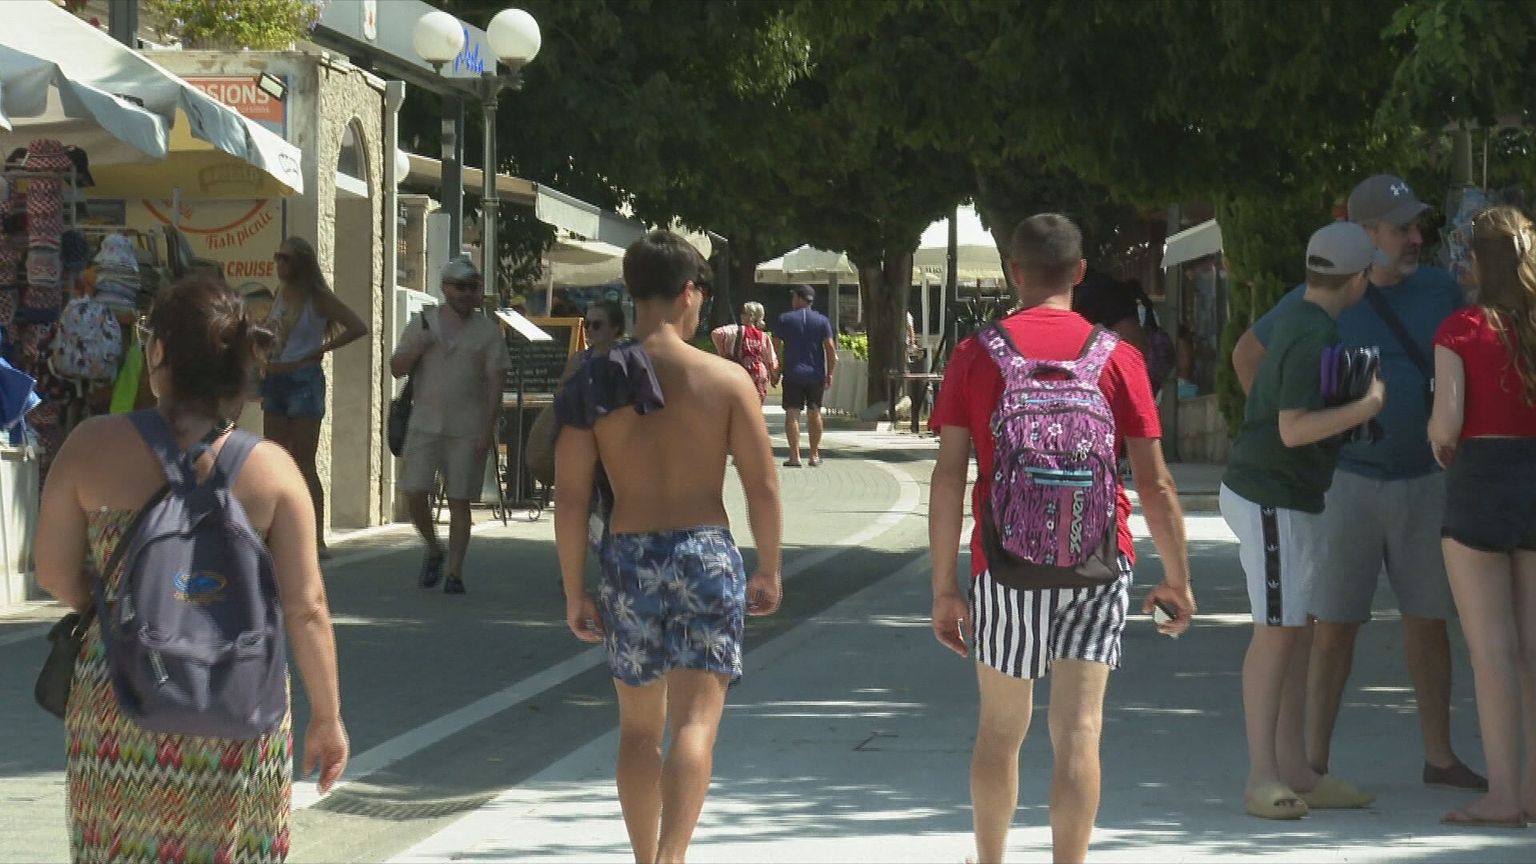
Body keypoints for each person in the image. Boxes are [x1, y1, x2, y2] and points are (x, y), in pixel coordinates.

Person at [35, 272, 349, 862]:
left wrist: (114, 609)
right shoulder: (275, 471)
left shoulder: (90, 447)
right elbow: (306, 607)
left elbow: (52, 572)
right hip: (240, 700)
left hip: (123, 695)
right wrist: (327, 718)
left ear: (158, 353)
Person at [928, 214, 1195, 863]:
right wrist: (1177, 578)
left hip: (1005, 564)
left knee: (1001, 730)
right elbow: (1155, 482)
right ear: (1079, 272)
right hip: (1098, 562)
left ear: (1014, 273)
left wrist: (944, 588)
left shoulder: (976, 354)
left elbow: (949, 474)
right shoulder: (1117, 357)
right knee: (1078, 731)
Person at [1230, 175, 1485, 792]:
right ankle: (1313, 764)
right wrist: (1294, 430)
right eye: (1401, 228)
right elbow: (1247, 356)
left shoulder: (1441, 290)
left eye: (1417, 226)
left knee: (1429, 620)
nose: (1415, 238)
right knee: (1332, 625)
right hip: (1345, 481)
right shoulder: (1320, 297)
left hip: (1426, 477)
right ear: (1365, 237)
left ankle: (1440, 757)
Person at [554, 229, 782, 864]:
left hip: (628, 556)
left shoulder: (594, 379)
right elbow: (761, 485)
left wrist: (574, 589)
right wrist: (769, 566)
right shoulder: (726, 379)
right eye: (701, 292)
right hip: (705, 554)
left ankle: (644, 858)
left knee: (637, 731)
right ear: (687, 291)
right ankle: (673, 856)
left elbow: (570, 498)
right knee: (694, 725)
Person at [1221, 222, 1386, 820]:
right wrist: (1365, 406)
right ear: (1359, 279)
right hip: (1274, 498)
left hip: (1288, 498)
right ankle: (1262, 776)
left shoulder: (1300, 319)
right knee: (1276, 633)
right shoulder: (1314, 332)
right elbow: (1292, 429)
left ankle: (1295, 771)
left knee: (1293, 629)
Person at [1428, 205, 1536, 828]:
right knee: (1533, 648)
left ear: (1476, 260)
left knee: (1491, 651)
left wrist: (1439, 443)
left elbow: (1447, 424)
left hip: (1482, 481)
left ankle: (1503, 796)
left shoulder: (1461, 329)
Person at [390, 255, 510, 595]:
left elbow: (496, 383)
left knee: (459, 499)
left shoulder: (488, 332)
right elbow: (396, 368)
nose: (468, 293)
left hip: (468, 426)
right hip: (424, 422)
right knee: (414, 491)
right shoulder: (423, 323)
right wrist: (418, 346)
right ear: (445, 288)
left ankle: (454, 573)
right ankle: (433, 547)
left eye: (473, 287)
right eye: (460, 287)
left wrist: (488, 429)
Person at [262, 236, 369, 559]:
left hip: (303, 380)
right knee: (275, 457)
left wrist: (320, 350)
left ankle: (316, 538)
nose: (279, 264)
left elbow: (357, 326)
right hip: (275, 376)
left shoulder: (317, 298)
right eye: (277, 257)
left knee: (304, 460)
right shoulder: (280, 293)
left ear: (301, 263)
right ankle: (275, 535)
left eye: (286, 258)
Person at [772, 285, 836, 466]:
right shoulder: (822, 321)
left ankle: (794, 456)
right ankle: (814, 455)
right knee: (815, 412)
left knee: (792, 412)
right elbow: (830, 349)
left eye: (794, 297)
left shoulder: (785, 319)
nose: (792, 300)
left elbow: (774, 347)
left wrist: (774, 371)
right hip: (815, 374)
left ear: (799, 298)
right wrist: (829, 373)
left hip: (793, 373)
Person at [711, 301, 778, 404]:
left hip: (740, 373)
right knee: (755, 406)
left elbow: (716, 333)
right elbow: (772, 360)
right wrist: (774, 377)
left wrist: (723, 353)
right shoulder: (764, 336)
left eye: (743, 312)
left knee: (739, 404)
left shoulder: (734, 330)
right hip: (759, 376)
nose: (741, 315)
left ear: (751, 316)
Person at [561, 299, 627, 385]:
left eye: (597, 325)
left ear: (615, 328)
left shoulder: (626, 361)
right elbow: (563, 390)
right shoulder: (578, 360)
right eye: (587, 324)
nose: (590, 329)